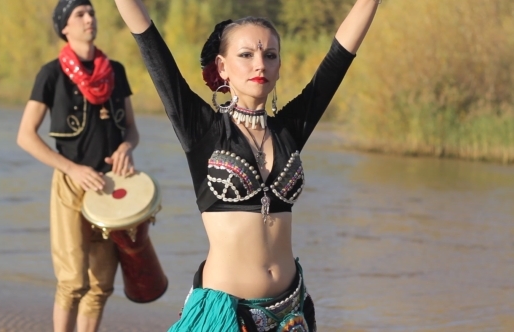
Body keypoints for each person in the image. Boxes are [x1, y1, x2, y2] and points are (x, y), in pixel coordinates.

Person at [113, 0, 379, 331]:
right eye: (246, 55)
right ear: (222, 67)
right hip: (227, 314)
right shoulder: (201, 129)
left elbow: (339, 57)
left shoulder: (288, 130)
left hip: (290, 313)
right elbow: (150, 43)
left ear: (279, 66)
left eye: (270, 55)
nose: (260, 64)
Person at [16, 0, 139, 331]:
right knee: (72, 280)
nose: (89, 19)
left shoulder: (116, 71)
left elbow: (131, 129)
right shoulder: (50, 74)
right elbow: (26, 136)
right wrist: (72, 169)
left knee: (101, 284)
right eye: (80, 14)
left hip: (113, 186)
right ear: (64, 27)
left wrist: (126, 147)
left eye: (92, 13)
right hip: (71, 185)